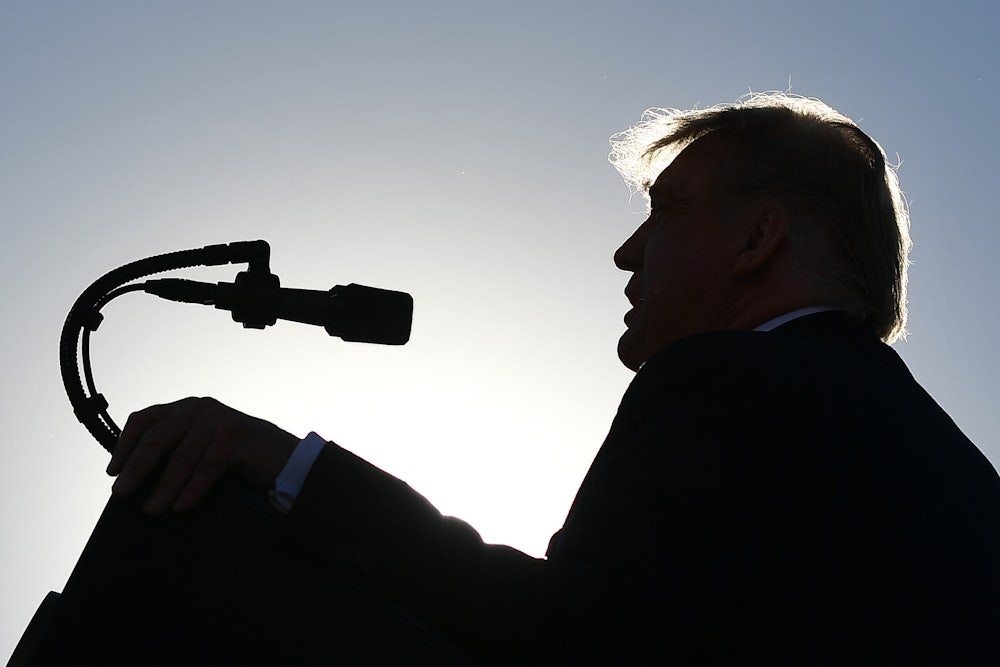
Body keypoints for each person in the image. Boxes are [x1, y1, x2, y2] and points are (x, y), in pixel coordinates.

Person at [106, 93, 1000, 665]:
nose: (627, 252)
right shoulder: (961, 476)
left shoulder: (733, 380)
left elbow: (576, 642)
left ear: (756, 240)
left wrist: (285, 463)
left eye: (666, 211)